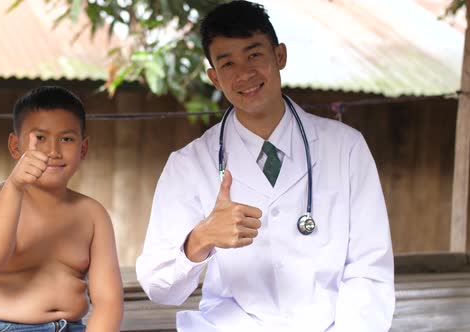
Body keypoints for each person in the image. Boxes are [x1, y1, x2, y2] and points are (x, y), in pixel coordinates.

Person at [135, 1, 395, 331]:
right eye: (227, 63)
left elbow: (369, 270)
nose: (244, 73)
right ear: (214, 78)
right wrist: (200, 239)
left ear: (280, 56)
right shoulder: (188, 165)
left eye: (254, 54)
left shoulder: (345, 147)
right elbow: (160, 288)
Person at [0, 86, 123, 332]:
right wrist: (15, 186)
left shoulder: (92, 214)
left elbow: (108, 301)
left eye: (67, 139)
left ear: (83, 149)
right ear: (15, 146)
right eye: (40, 138)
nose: (53, 151)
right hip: (3, 327)